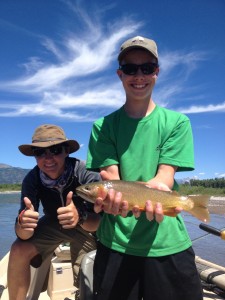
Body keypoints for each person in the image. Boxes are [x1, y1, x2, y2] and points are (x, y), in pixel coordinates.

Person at [86, 36, 203, 300]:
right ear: (120, 74)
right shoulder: (102, 127)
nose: (139, 76)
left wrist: (160, 189)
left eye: (147, 68)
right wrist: (109, 198)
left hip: (167, 243)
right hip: (115, 244)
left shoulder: (177, 123)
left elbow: (165, 174)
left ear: (157, 72)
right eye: (130, 69)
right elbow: (109, 177)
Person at [7, 124, 101, 300]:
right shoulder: (31, 179)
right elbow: (23, 234)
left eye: (55, 150)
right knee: (19, 248)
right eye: (40, 152)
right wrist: (23, 224)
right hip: (52, 223)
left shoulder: (86, 173)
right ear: (35, 156)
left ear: (66, 151)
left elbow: (97, 223)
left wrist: (80, 216)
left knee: (87, 272)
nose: (48, 158)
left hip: (86, 226)